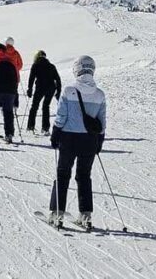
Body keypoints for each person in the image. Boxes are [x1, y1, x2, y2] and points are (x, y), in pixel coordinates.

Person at [48, 56, 106, 230]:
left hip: (69, 138)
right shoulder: (99, 94)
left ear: (77, 69)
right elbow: (102, 121)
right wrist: (99, 141)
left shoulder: (69, 90)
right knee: (84, 176)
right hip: (89, 140)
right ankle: (86, 215)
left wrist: (55, 134)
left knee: (63, 174)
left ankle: (57, 213)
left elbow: (61, 117)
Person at [27, 50, 62, 134]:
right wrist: (58, 91)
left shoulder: (35, 65)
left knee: (34, 106)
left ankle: (31, 126)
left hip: (40, 87)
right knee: (46, 106)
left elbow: (31, 78)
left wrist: (30, 89)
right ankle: (45, 128)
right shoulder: (51, 66)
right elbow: (58, 79)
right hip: (51, 88)